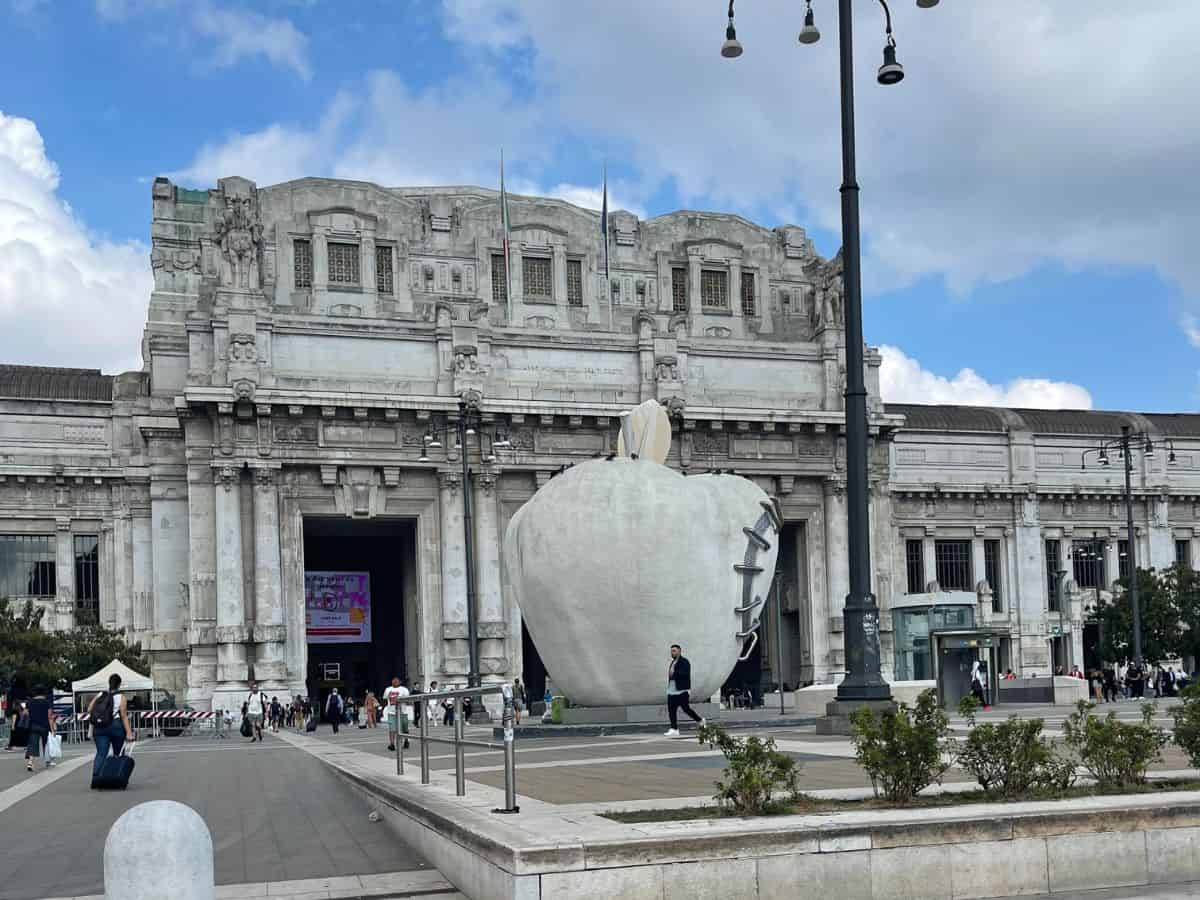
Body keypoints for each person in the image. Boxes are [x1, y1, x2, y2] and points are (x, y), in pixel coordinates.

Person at [87, 672, 134, 779]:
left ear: (109, 683)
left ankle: (96, 777)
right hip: (115, 726)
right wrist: (129, 733)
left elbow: (89, 709)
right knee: (118, 753)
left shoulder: (100, 695)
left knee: (101, 753)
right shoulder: (121, 697)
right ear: (119, 685)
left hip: (99, 728)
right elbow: (123, 715)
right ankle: (116, 776)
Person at [664, 644, 704, 737]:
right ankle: (674, 729)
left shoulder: (684, 662)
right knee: (671, 710)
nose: (672, 652)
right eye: (671, 651)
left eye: (674, 651)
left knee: (686, 709)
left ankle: (700, 720)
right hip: (671, 690)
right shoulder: (673, 662)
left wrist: (675, 673)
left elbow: (685, 674)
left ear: (679, 651)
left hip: (682, 691)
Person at [24, 687, 56, 772]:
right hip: (45, 726)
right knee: (46, 744)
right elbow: (50, 717)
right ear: (43, 693)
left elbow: (26, 714)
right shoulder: (46, 702)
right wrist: (53, 729)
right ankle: (47, 761)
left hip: (33, 726)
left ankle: (30, 762)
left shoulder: (29, 702)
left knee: (33, 745)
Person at [382, 677, 410, 752]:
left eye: (396, 680)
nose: (395, 681)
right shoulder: (388, 689)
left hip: (402, 712)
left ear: (400, 682)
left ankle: (406, 740)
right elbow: (385, 699)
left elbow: (408, 700)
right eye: (393, 680)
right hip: (391, 713)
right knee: (392, 729)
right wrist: (386, 708)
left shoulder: (404, 689)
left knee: (405, 728)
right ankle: (392, 744)